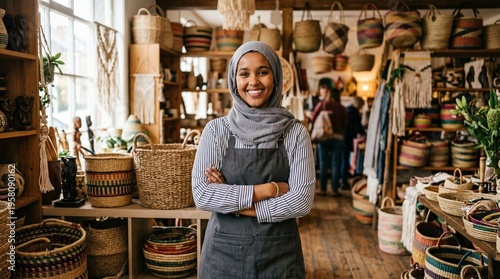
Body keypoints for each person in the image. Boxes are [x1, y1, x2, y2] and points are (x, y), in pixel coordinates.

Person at [191, 41, 315, 278]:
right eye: (244, 73)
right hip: (222, 256)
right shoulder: (216, 131)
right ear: (234, 80)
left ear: (276, 78)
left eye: (263, 72)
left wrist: (233, 203)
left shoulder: (295, 132)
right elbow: (203, 194)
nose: (253, 82)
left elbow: (301, 202)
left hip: (279, 256)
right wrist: (269, 189)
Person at [310, 78, 347, 197]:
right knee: (336, 164)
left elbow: (313, 117)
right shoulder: (342, 107)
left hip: (323, 137)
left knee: (323, 164)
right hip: (338, 138)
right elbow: (345, 124)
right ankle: (335, 190)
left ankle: (323, 189)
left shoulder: (323, 104)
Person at [341, 96, 365, 189]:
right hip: (348, 138)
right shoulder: (355, 112)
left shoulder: (345, 110)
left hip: (342, 136)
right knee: (345, 160)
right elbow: (357, 127)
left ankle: (341, 180)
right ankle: (344, 182)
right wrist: (363, 132)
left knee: (343, 159)